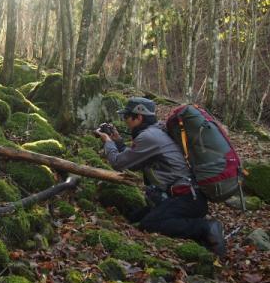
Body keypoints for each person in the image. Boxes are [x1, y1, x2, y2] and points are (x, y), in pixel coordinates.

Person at [95, 97, 226, 257]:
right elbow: (135, 164)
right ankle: (199, 232)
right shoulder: (158, 131)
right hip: (188, 197)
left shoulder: (149, 137)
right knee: (134, 216)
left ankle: (205, 228)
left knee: (150, 223)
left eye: (126, 116)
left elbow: (117, 163)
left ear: (139, 117)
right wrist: (119, 142)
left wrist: (107, 141)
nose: (125, 121)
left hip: (186, 198)